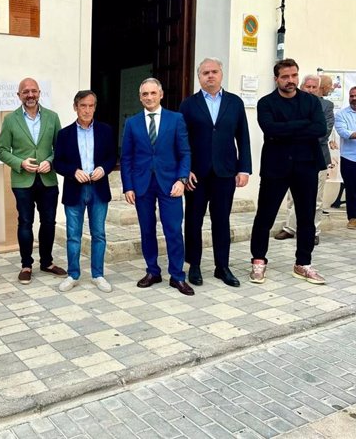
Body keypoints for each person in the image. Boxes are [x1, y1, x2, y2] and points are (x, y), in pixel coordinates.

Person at [249, 59, 327, 284]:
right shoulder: (266, 103)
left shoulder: (311, 102)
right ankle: (258, 261)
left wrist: (286, 130)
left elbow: (320, 129)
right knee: (265, 216)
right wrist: (303, 125)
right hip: (276, 166)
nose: (291, 80)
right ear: (277, 79)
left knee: (306, 217)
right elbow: (270, 129)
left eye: (294, 75)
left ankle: (303, 263)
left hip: (306, 165)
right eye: (285, 77)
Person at [179, 58, 252, 288]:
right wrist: (186, 169)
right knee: (193, 220)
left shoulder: (235, 103)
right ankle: (195, 265)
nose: (210, 76)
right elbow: (182, 140)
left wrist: (244, 168)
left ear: (221, 74)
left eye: (214, 72)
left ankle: (222, 267)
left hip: (225, 172)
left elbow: (243, 137)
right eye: (205, 73)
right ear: (199, 77)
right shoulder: (188, 104)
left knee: (221, 221)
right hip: (196, 175)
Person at [121, 78, 194, 296]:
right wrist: (128, 186)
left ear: (161, 94)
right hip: (142, 184)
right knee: (147, 229)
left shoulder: (176, 119)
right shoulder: (132, 123)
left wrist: (181, 180)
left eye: (153, 93)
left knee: (173, 230)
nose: (149, 97)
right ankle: (153, 271)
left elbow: (185, 153)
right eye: (145, 94)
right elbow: (126, 158)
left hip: (170, 183)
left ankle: (177, 276)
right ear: (140, 97)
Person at [0, 77, 66, 284]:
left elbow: (60, 149)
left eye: (33, 91)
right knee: (25, 222)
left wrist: (51, 162)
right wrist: (20, 163)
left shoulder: (52, 118)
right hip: (22, 181)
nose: (30, 95)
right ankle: (26, 265)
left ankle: (47, 262)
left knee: (48, 222)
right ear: (19, 95)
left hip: (48, 180)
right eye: (25, 91)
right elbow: (1, 151)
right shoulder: (10, 120)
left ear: (39, 93)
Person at [54, 91, 116, 293]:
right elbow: (58, 163)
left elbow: (111, 156)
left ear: (95, 107)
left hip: (98, 189)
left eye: (91, 106)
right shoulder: (64, 134)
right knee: (73, 235)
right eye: (83, 106)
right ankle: (73, 274)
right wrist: (73, 171)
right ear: (75, 107)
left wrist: (103, 169)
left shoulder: (106, 131)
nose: (87, 110)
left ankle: (98, 275)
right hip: (75, 189)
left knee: (99, 234)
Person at [274, 74, 334, 245]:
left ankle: (313, 230)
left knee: (315, 197)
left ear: (319, 89)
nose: (310, 89)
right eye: (307, 86)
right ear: (301, 86)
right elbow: (284, 129)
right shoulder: (293, 103)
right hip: (293, 157)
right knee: (293, 196)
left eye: (314, 87)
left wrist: (297, 134)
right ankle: (290, 228)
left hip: (317, 158)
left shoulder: (326, 106)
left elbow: (323, 132)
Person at [334, 85, 356, 229]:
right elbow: (344, 133)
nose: (354, 98)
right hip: (350, 158)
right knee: (352, 189)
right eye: (352, 96)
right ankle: (353, 218)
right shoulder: (341, 114)